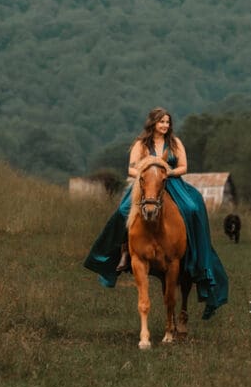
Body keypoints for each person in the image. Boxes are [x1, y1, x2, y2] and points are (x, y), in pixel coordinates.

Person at [83, 107, 228, 319]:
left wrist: (167, 171)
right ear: (153, 123)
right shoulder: (141, 143)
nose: (165, 125)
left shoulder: (175, 143)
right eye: (161, 122)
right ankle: (124, 251)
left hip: (171, 182)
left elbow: (183, 167)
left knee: (192, 208)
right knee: (123, 211)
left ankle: (194, 250)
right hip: (146, 184)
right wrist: (149, 170)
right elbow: (131, 169)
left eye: (167, 122)